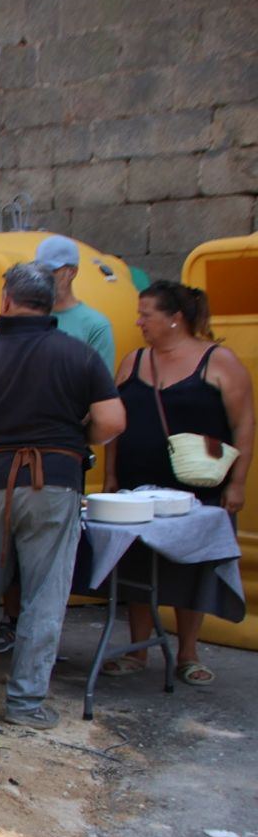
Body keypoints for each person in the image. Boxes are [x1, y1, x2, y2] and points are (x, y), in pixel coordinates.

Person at [0, 263, 125, 729]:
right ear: (48, 303)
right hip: (54, 481)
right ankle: (25, 703)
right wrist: (73, 437)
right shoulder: (78, 354)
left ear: (6, 300)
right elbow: (113, 422)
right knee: (44, 595)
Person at [102, 281, 254, 687]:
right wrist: (112, 475)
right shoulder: (133, 361)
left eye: (146, 314)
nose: (139, 321)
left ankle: (187, 651)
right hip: (136, 484)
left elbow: (244, 424)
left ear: (175, 318)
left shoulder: (219, 361)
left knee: (192, 566)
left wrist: (237, 484)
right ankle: (136, 649)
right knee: (133, 562)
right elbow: (116, 425)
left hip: (197, 487)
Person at [34, 234, 115, 368]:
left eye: (52, 270)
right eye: (40, 270)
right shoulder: (29, 316)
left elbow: (100, 385)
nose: (45, 276)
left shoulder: (95, 325)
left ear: (72, 272)